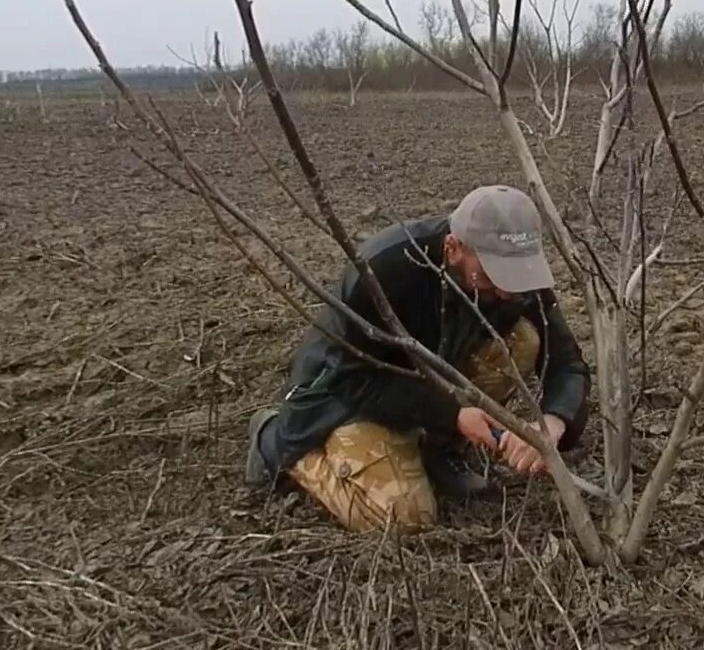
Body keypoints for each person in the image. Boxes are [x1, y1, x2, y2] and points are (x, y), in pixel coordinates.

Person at [243, 184, 591, 532]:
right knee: (406, 515)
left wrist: (553, 423)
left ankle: (436, 450)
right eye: (490, 277)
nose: (506, 291)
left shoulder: (516, 277)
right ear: (453, 248)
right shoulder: (385, 267)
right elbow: (354, 380)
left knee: (523, 339)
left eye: (514, 277)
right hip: (342, 393)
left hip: (425, 383)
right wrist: (452, 413)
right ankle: (276, 440)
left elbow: (566, 362)